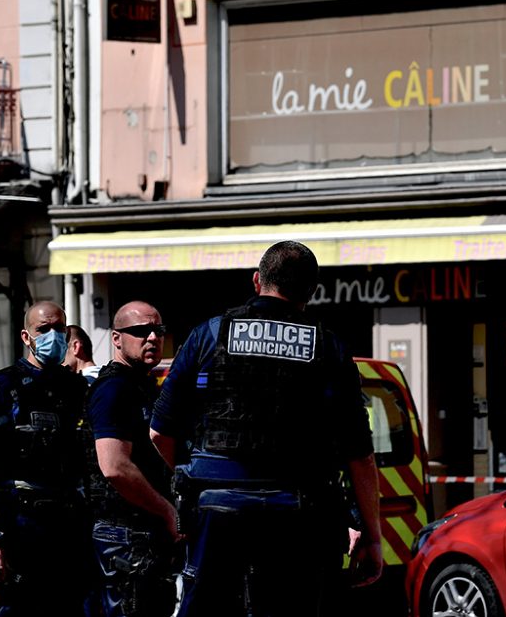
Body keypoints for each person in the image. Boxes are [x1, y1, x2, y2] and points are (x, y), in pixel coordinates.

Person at [149, 241, 383, 617]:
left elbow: (159, 434)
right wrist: (371, 536)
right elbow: (360, 454)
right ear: (312, 291)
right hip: (300, 516)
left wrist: (191, 487)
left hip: (216, 508)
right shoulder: (329, 348)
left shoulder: (209, 335)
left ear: (257, 281)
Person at [0, 301, 91, 615]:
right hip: (21, 527)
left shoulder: (78, 389)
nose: (53, 336)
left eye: (59, 328)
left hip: (71, 527)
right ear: (26, 336)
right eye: (43, 330)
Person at [85, 301, 178, 617]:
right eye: (140, 331)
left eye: (158, 330)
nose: (152, 338)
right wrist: (167, 510)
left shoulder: (144, 385)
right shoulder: (113, 388)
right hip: (123, 535)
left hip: (144, 532)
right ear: (116, 338)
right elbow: (114, 467)